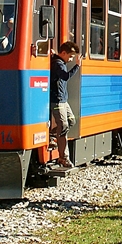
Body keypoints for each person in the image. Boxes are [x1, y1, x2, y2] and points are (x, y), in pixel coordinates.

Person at [50, 40, 82, 168]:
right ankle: (63, 158)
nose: (71, 59)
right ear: (63, 53)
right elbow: (65, 76)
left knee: (71, 121)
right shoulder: (58, 64)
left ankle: (53, 134)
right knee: (63, 127)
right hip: (57, 100)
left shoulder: (59, 61)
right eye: (70, 56)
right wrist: (77, 66)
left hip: (63, 100)